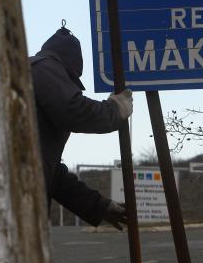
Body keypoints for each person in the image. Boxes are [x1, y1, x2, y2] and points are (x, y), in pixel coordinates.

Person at [30, 26, 131, 230]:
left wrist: (99, 207)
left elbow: (52, 174)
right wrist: (114, 110)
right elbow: (73, 109)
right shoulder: (44, 67)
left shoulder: (38, 72)